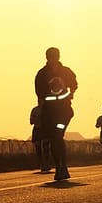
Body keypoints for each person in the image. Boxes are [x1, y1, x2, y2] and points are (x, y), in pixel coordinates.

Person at [34, 47, 78, 181]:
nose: (53, 59)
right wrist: (40, 111)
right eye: (51, 56)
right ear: (47, 58)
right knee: (53, 138)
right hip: (49, 111)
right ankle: (59, 166)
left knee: (58, 135)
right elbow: (39, 94)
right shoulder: (42, 74)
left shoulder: (66, 71)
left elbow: (74, 84)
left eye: (55, 56)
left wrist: (71, 93)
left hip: (63, 111)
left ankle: (62, 166)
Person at [30, 101, 51, 173]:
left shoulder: (48, 110)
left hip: (45, 129)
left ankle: (47, 164)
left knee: (46, 147)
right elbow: (31, 121)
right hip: (38, 129)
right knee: (38, 147)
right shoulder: (35, 110)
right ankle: (42, 164)